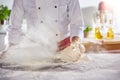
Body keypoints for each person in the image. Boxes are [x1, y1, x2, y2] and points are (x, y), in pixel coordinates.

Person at [1, 0, 84, 62]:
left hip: (65, 47)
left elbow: (77, 24)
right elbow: (14, 27)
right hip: (36, 49)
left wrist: (76, 43)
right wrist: (10, 49)